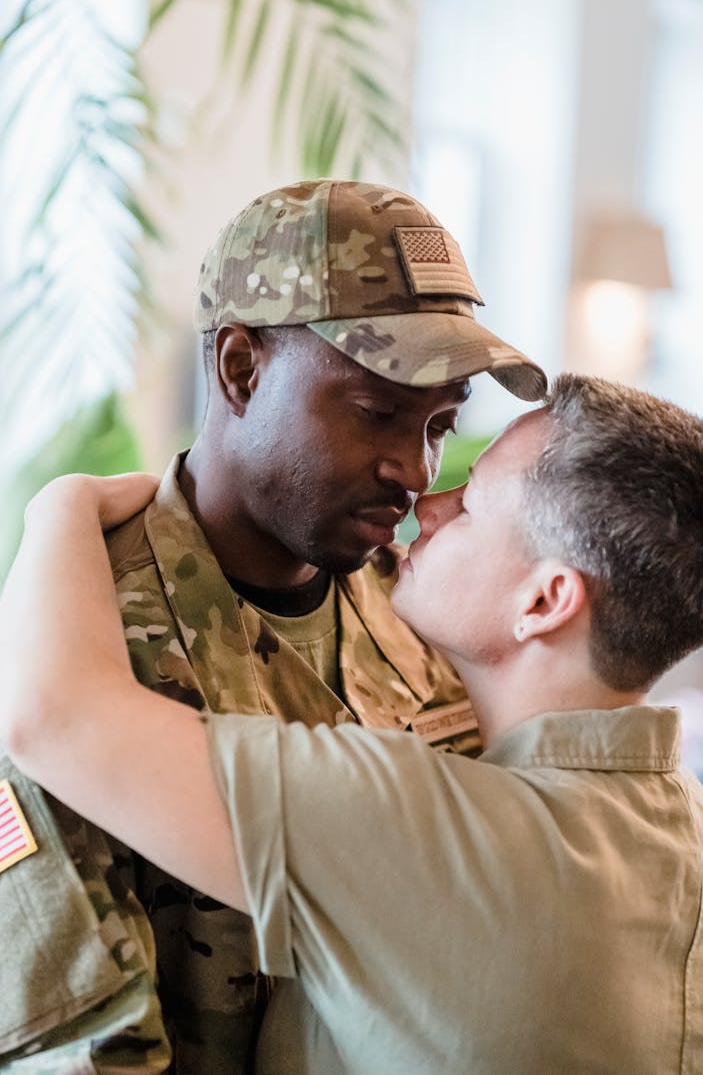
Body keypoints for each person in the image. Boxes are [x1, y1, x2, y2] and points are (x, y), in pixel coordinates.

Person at [3, 373, 703, 1074]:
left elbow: (53, 718)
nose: (429, 500)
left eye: (475, 501)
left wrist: (61, 506)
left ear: (544, 601)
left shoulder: (432, 833)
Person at [0, 178, 547, 1072]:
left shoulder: (423, 611)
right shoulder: (75, 657)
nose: (414, 469)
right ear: (241, 369)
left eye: (441, 424)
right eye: (377, 411)